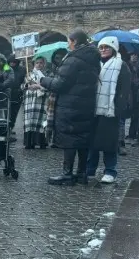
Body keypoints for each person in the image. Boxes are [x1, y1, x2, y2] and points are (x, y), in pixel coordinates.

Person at [41, 30, 100, 186]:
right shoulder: (93, 58)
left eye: (69, 41)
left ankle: (67, 174)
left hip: (70, 105)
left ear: (75, 42)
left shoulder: (73, 60)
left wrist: (43, 80)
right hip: (86, 105)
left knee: (70, 139)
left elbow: (59, 84)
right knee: (83, 139)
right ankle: (81, 174)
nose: (68, 44)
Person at [87, 37, 132, 184]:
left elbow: (124, 89)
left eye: (107, 47)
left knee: (109, 143)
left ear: (114, 49)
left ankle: (110, 170)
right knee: (92, 143)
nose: (103, 50)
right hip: (93, 108)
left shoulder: (121, 65)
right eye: (101, 47)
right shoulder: (94, 64)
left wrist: (119, 107)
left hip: (110, 109)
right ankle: (90, 170)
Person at [22, 56, 49, 149]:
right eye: (37, 63)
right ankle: (29, 142)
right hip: (30, 101)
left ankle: (42, 141)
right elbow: (22, 86)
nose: (39, 65)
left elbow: (49, 87)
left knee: (42, 121)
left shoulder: (46, 74)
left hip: (41, 101)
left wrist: (39, 86)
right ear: (34, 64)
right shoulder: (28, 74)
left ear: (44, 64)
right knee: (30, 121)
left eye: (41, 63)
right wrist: (27, 85)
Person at [4, 54, 27, 139]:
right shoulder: (5, 68)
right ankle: (6, 128)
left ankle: (10, 127)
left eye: (14, 62)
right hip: (7, 93)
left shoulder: (22, 69)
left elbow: (24, 80)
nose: (12, 64)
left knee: (14, 113)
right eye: (11, 62)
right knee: (7, 112)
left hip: (17, 94)